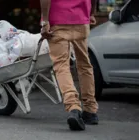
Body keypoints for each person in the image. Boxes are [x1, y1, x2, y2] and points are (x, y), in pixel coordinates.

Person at [40, 0, 99, 131]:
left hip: (57, 20)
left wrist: (45, 21)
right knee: (84, 64)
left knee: (61, 66)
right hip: (81, 20)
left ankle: (73, 107)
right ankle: (90, 110)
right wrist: (91, 13)